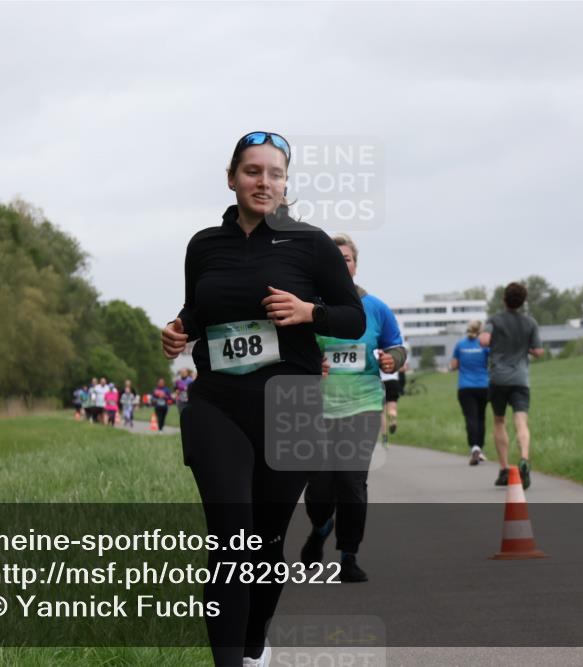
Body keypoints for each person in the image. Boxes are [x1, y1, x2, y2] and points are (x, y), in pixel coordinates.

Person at [161, 131, 364, 667]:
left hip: (290, 405)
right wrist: (178, 330)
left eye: (275, 174)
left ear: (286, 183)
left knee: (266, 543)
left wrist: (309, 313)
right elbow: (197, 310)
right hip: (218, 404)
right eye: (253, 171)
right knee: (231, 542)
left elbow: (353, 317)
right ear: (232, 179)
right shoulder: (204, 245)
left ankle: (254, 647)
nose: (264, 182)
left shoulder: (311, 244)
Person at [301, 233, 406, 583]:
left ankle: (349, 555)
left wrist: (393, 359)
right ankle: (320, 528)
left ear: (355, 266)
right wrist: (311, 364)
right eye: (334, 258)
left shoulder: (376, 308)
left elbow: (397, 347)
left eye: (345, 258)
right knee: (319, 489)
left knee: (351, 482)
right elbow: (292, 350)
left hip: (363, 405)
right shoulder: (308, 307)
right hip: (316, 409)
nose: (340, 264)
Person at [479, 282, 544, 489]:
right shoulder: (530, 322)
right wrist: (526, 348)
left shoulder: (494, 320)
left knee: (499, 421)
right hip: (520, 379)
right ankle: (524, 458)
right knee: (521, 422)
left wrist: (487, 337)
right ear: (523, 301)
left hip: (498, 378)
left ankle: (504, 469)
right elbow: (538, 351)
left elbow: (484, 341)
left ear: (504, 299)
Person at [451, 320, 490, 465]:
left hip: (465, 387)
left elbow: (454, 365)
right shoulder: (484, 346)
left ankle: (474, 448)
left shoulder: (460, 345)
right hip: (483, 385)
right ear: (481, 330)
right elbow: (490, 362)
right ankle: (480, 448)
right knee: (481, 417)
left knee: (470, 417)